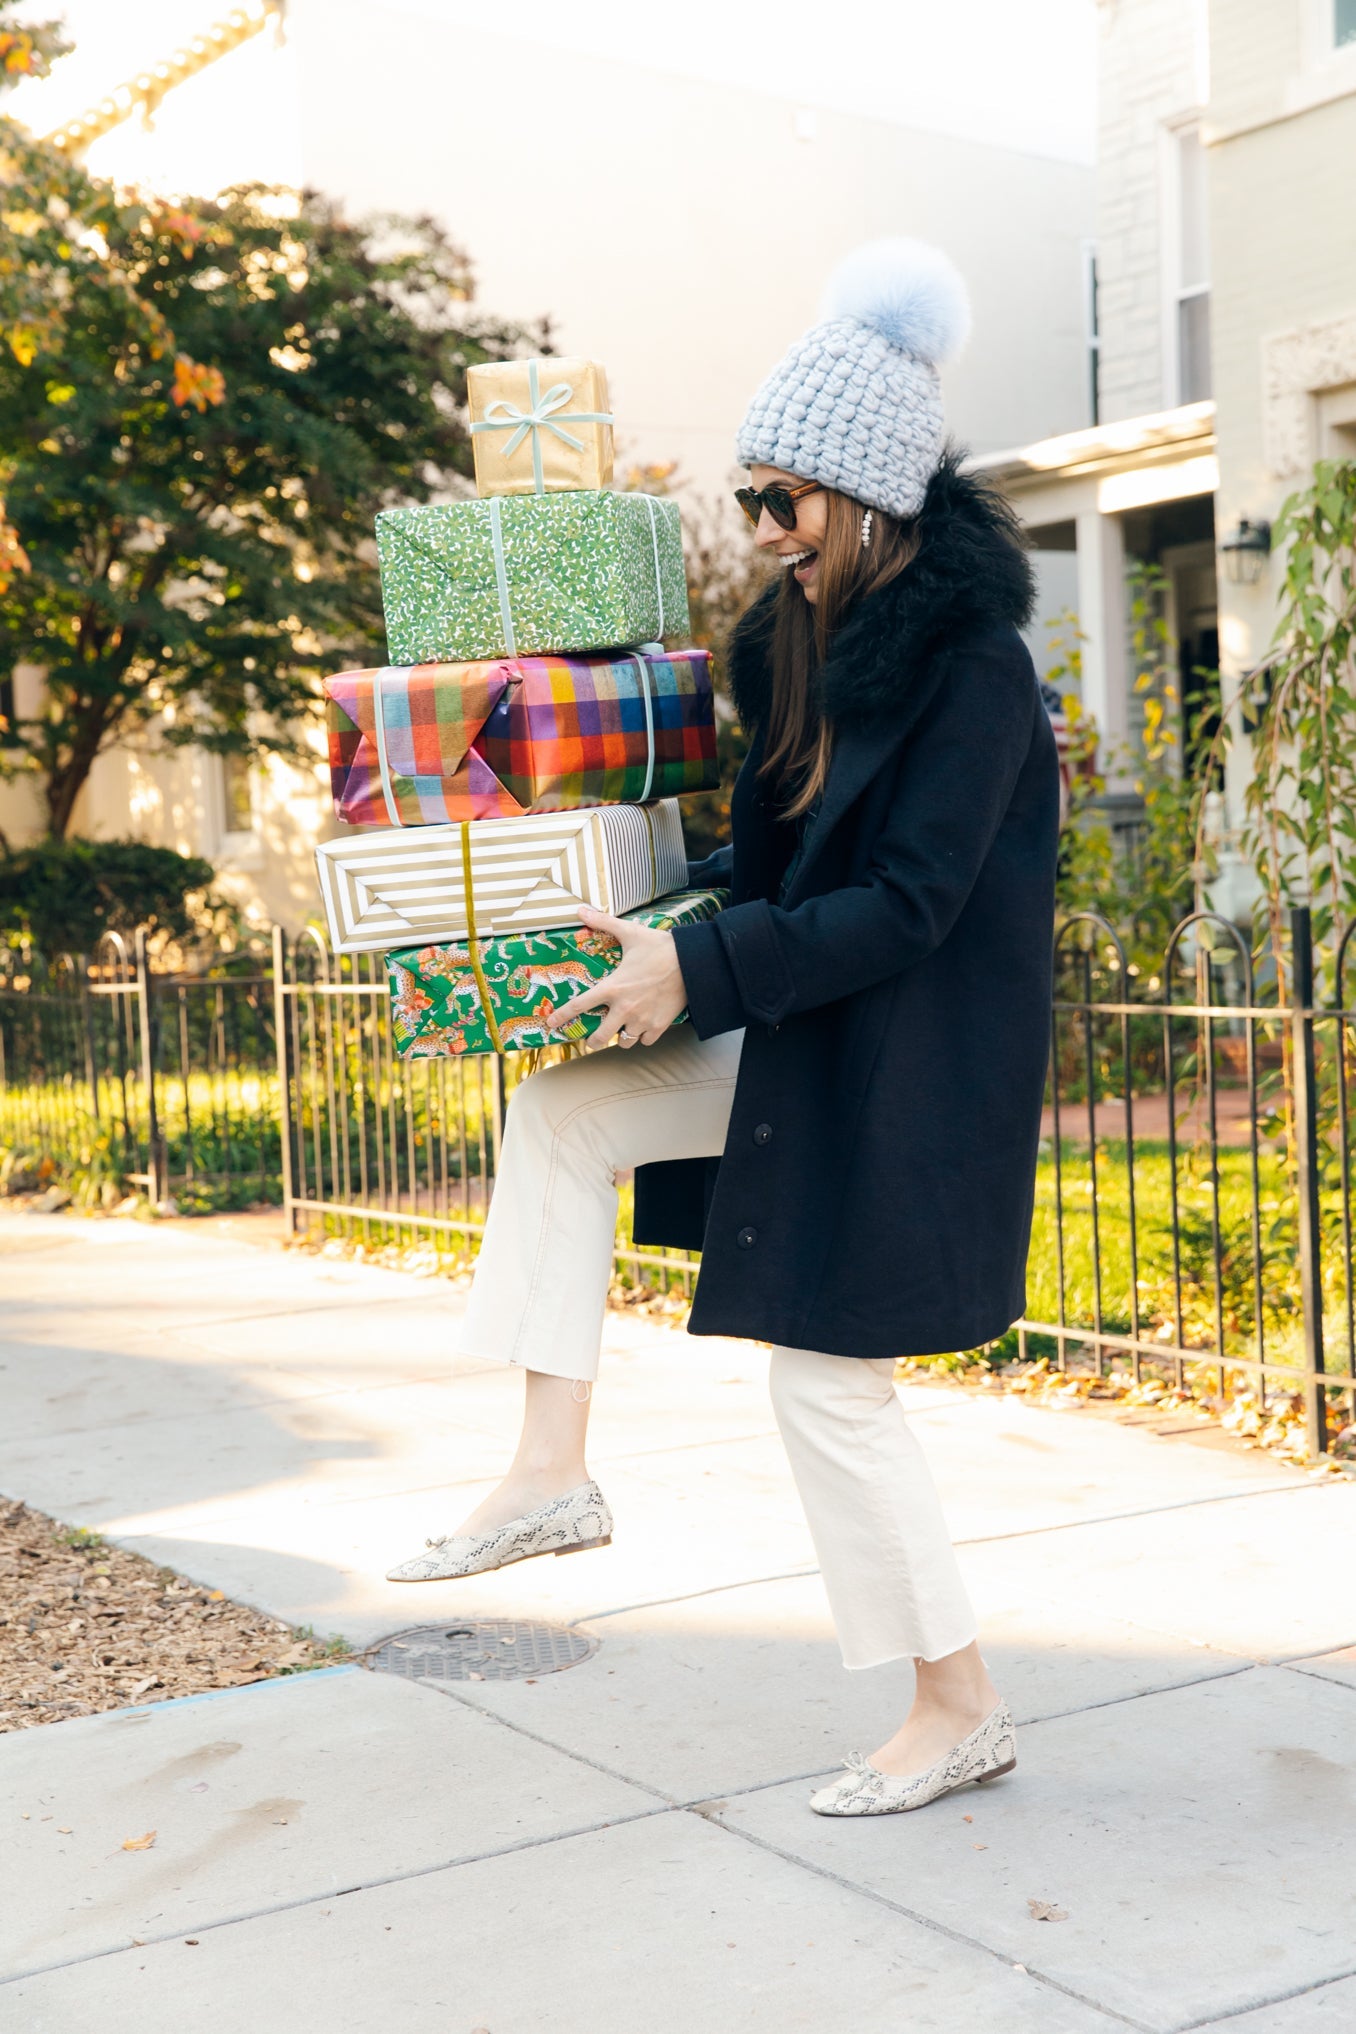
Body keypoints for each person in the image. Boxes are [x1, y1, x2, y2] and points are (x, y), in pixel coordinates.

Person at [386, 239, 1060, 1819]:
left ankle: (955, 1705)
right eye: (752, 500)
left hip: (912, 1070)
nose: (763, 531)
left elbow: (907, 905)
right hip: (807, 1029)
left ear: (872, 496)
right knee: (566, 1113)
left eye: (787, 503)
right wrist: (632, 919)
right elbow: (765, 878)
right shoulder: (791, 647)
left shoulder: (974, 670)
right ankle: (553, 1476)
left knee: (828, 1388)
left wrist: (709, 971)